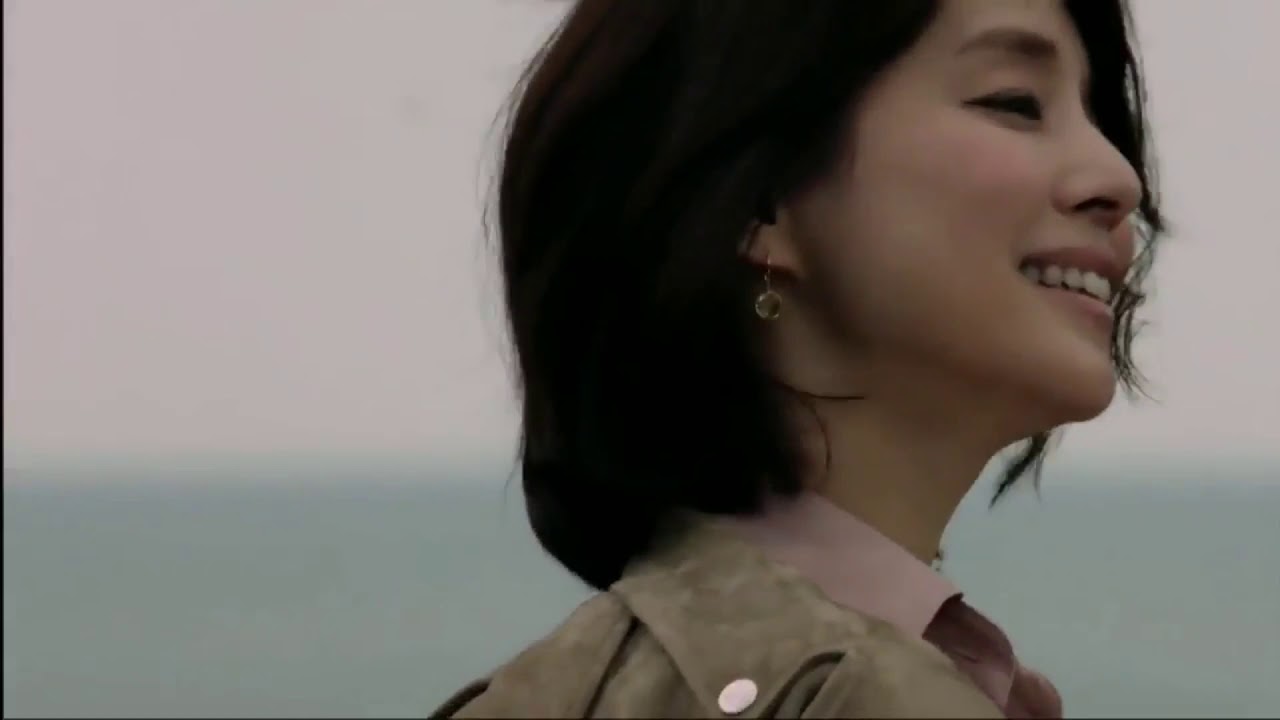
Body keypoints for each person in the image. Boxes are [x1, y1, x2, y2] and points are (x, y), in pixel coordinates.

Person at [435, 0, 1164, 716]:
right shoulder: (860, 697)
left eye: (1097, 116)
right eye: (1015, 102)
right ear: (763, 198)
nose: (1119, 179)